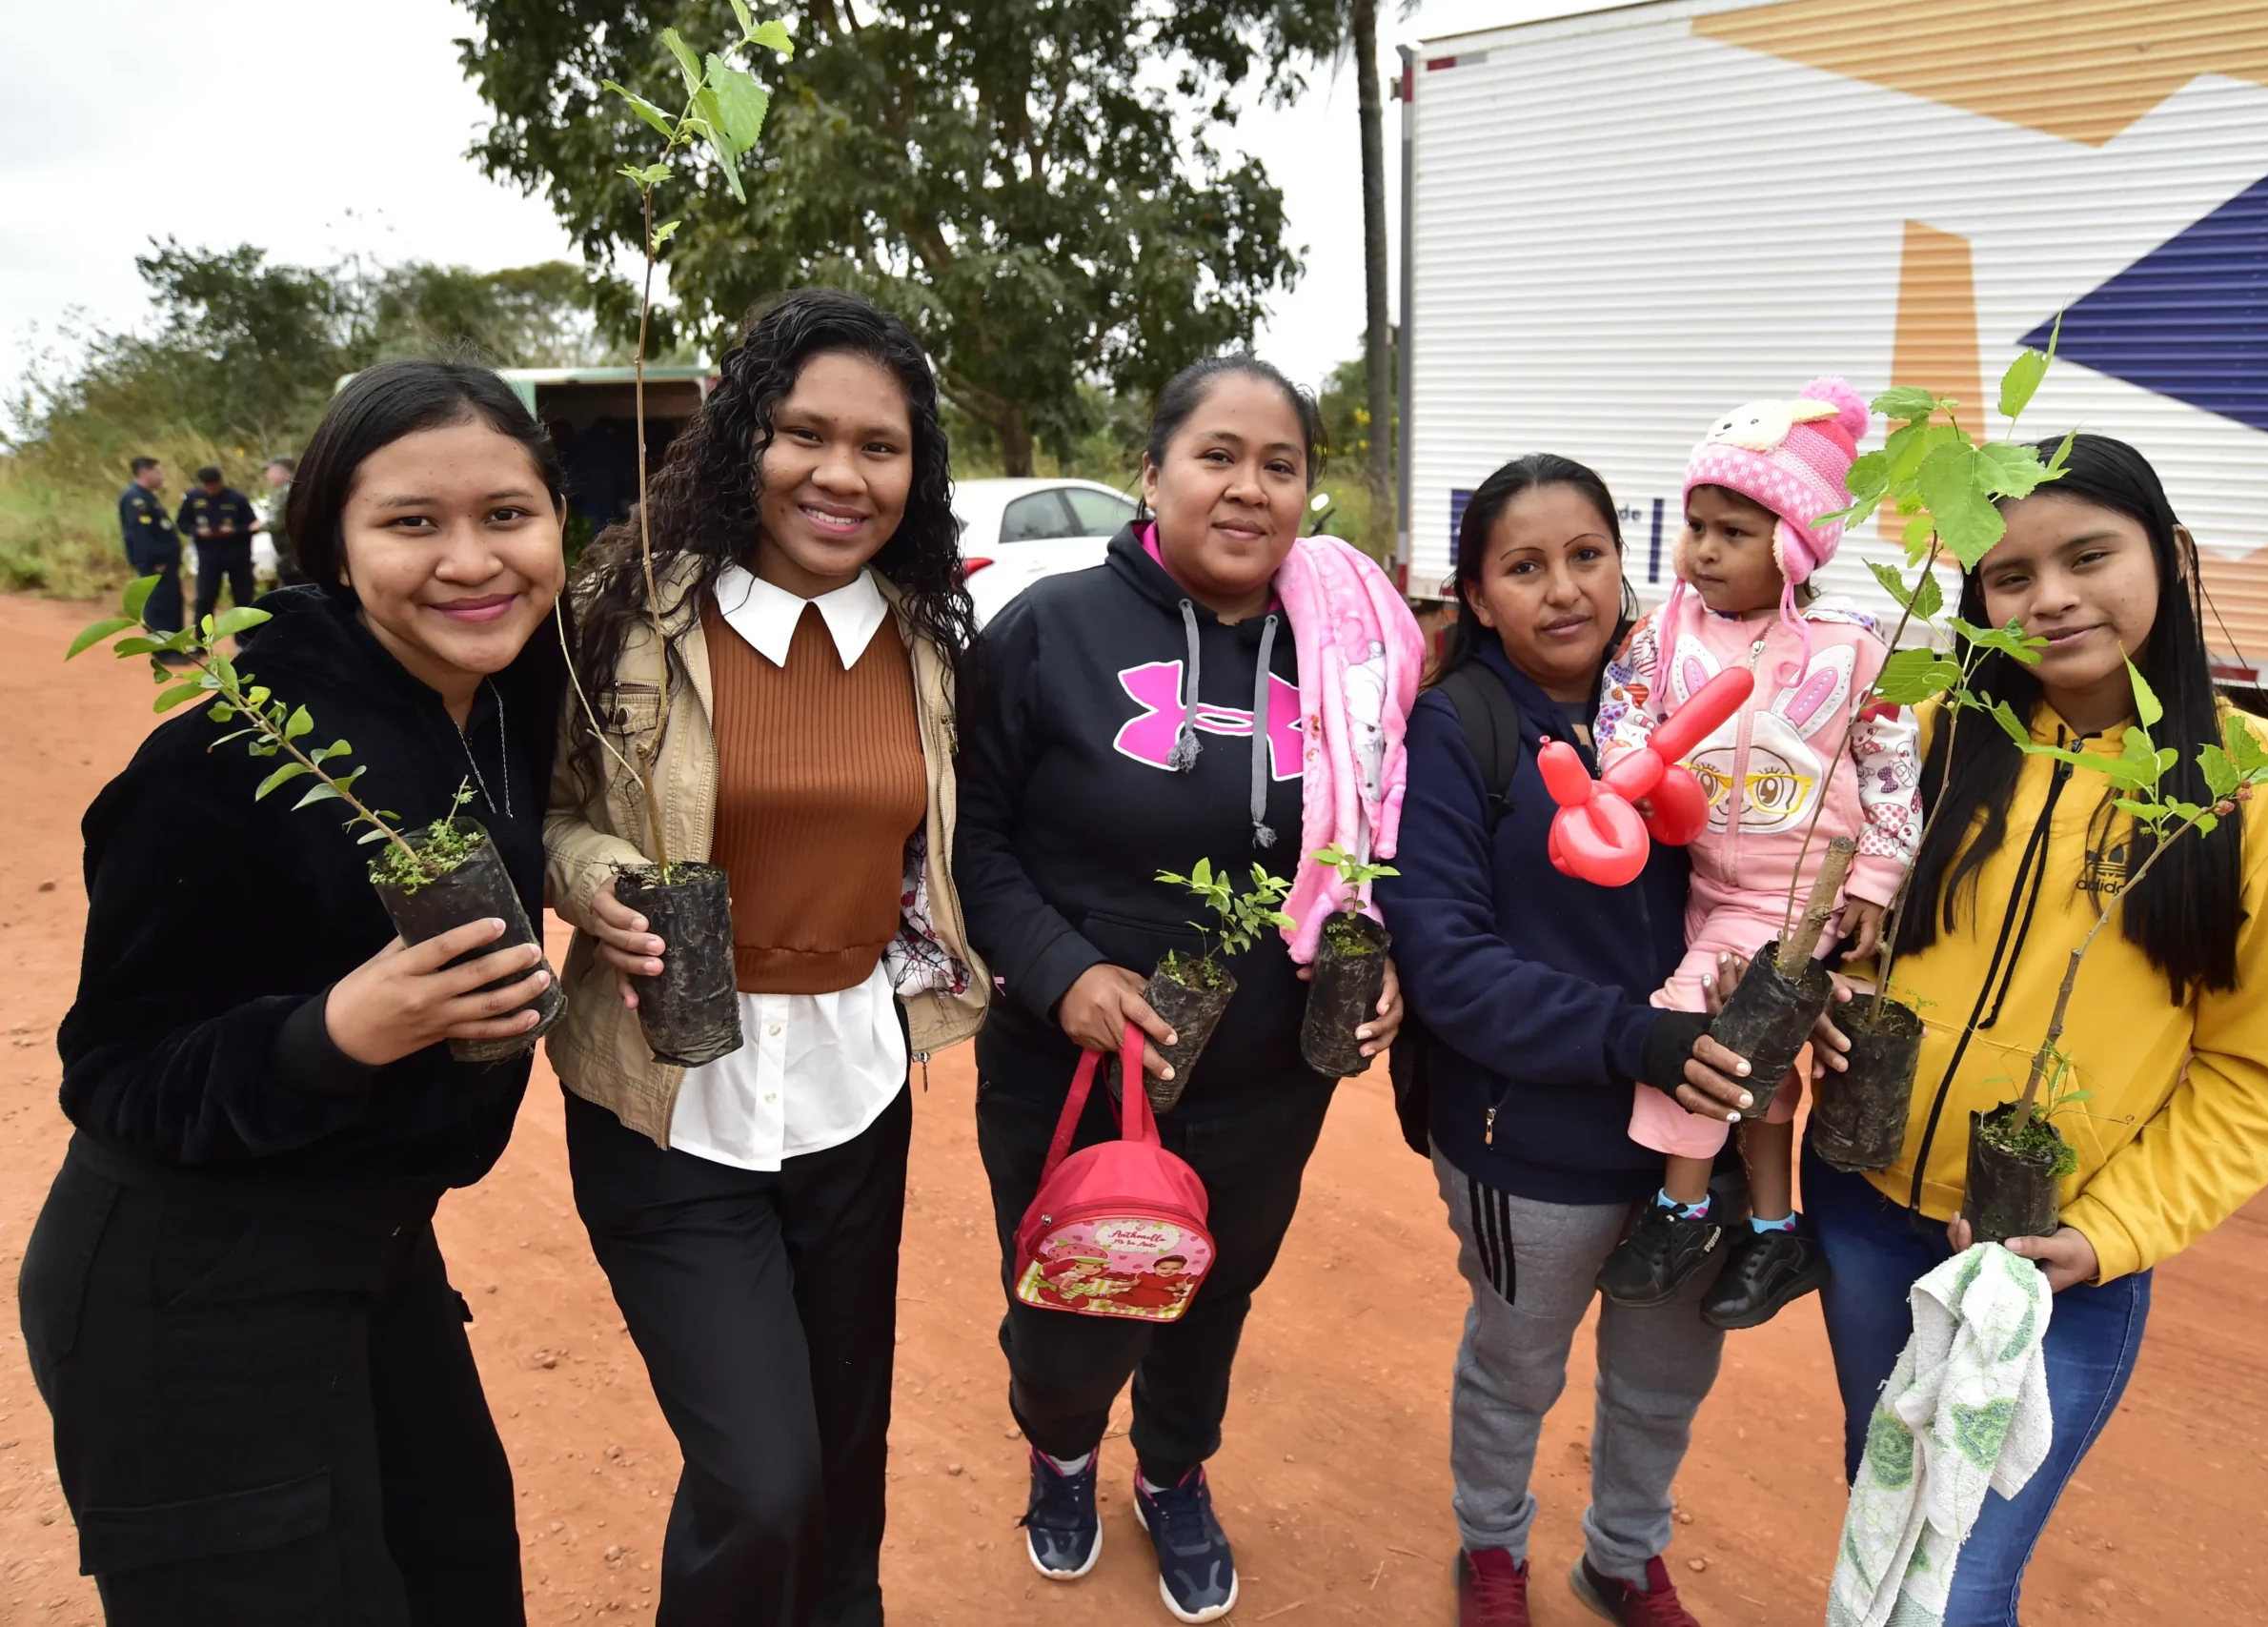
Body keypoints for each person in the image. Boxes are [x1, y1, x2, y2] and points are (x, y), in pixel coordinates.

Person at [17, 359, 572, 1622]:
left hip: (375, 1251)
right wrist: (334, 1030)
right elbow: (114, 1067)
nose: (473, 559)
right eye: (412, 522)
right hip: (191, 1280)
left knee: (460, 1577)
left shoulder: (494, 700)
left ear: (555, 523)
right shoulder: (230, 756)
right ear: (329, 539)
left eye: (506, 514)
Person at [1795, 434, 2268, 1625]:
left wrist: (2105, 1235)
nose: (2049, 599)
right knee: (1879, 1506)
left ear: (2170, 556)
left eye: (2089, 555)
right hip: (1865, 1211)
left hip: (2045, 1270)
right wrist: (1843, 995)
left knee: (1956, 1582)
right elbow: (1869, 930)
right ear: (1977, 600)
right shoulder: (1937, 739)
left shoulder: (2267, 790)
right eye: (2009, 575)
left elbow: (2256, 1083)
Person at [544, 288, 986, 1627]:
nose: (840, 474)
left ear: (916, 469)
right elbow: (552, 809)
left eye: (880, 445)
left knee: (845, 1452)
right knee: (765, 1475)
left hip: (854, 1089)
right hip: (669, 1098)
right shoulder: (630, 617)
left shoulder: (928, 646)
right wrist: (593, 875)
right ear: (745, 438)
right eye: (804, 432)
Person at [955, 354, 1411, 1624]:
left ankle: (1171, 1468)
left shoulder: (1345, 651)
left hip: (1270, 1066)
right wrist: (1059, 971)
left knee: (1215, 1286)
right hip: (1076, 1060)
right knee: (1074, 1289)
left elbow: (1388, 823)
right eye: (1218, 455)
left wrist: (1391, 968)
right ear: (1150, 473)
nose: (1249, 486)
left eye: (1281, 464)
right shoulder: (1048, 629)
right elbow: (971, 834)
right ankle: (1059, 1443)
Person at [1378, 454, 1759, 1627]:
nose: (1562, 591)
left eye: (1585, 556)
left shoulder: (1699, 702)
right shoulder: (1463, 728)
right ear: (1478, 596)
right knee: (1514, 1370)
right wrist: (1632, 1037)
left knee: (1662, 1379)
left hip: (1693, 1139)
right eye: (1523, 567)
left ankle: (1623, 1556)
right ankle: (1492, 1550)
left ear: (1621, 564)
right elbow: (1444, 959)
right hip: (1527, 1141)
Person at [1591, 379, 1921, 1327]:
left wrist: (1873, 877)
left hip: (1794, 903)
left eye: (1732, 530)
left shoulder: (1848, 649)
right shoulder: (1663, 633)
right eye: (1695, 525)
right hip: (1705, 885)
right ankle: (1774, 1233)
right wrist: (1625, 764)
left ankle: (1680, 1208)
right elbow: (1620, 711)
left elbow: (1891, 773)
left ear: (1795, 542)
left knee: (1699, 1018)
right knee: (1760, 1066)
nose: (1700, 549)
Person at [176, 464, 259, 617]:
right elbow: (182, 523)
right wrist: (197, 531)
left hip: (237, 554)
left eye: (214, 485)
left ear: (220, 481)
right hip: (209, 555)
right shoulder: (193, 498)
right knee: (205, 598)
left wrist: (234, 530)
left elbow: (253, 525)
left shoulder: (237, 498)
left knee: (243, 598)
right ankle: (201, 639)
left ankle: (244, 639)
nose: (211, 490)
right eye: (207, 486)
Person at [115, 456, 181, 632]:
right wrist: (154, 560)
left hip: (166, 563)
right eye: (158, 472)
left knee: (171, 603)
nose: (162, 477)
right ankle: (163, 650)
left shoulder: (147, 497)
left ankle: (174, 648)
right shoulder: (135, 499)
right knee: (159, 605)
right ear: (145, 473)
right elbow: (139, 534)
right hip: (155, 564)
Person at [257, 455, 302, 585]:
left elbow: (277, 523)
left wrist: (258, 527)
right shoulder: (293, 487)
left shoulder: (286, 491)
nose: (267, 476)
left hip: (291, 551)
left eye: (270, 472)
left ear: (281, 472)